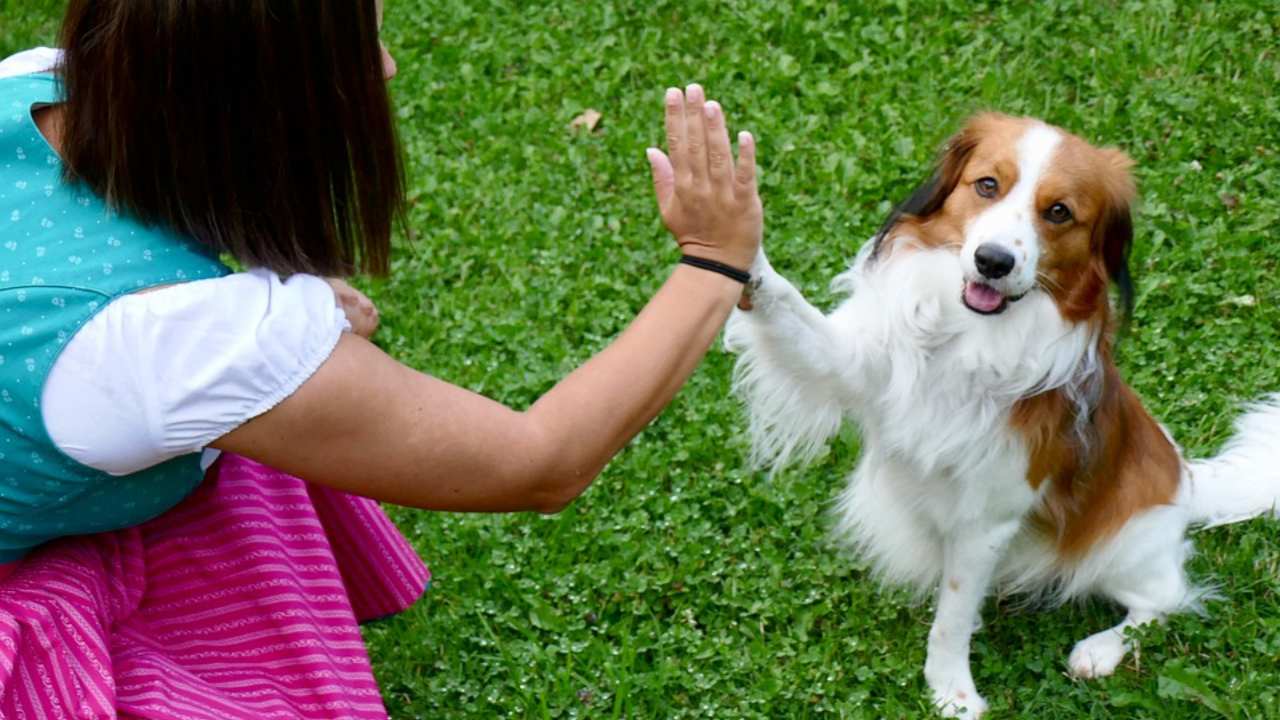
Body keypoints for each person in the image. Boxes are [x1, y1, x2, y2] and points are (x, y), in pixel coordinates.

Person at [0, 0, 762, 717]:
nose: (388, 67)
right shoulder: (173, 342)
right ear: (256, 97)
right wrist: (713, 263)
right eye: (360, 48)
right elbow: (541, 461)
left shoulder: (36, 80)